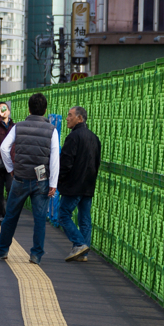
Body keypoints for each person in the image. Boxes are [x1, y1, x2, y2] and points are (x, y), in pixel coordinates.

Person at [0, 93, 60, 264]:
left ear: (29, 109)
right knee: (39, 219)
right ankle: (36, 254)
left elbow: (4, 148)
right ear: (45, 110)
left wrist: (11, 168)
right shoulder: (52, 130)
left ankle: (2, 249)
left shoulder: (18, 127)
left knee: (11, 215)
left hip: (20, 178)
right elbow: (55, 158)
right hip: (41, 180)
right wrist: (53, 183)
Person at [58, 106, 101, 262]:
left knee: (63, 214)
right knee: (85, 220)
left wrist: (59, 181)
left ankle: (79, 244)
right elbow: (97, 163)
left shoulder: (73, 137)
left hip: (73, 185)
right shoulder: (94, 138)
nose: (67, 118)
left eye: (70, 115)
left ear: (80, 118)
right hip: (88, 185)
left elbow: (66, 163)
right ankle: (83, 254)